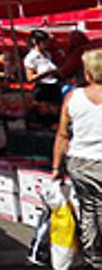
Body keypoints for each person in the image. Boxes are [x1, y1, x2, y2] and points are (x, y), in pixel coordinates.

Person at [53, 47, 102, 270]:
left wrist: (56, 167)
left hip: (80, 163)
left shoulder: (73, 97)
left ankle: (94, 257)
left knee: (89, 209)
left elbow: (63, 135)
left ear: (88, 73)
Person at [25, 29, 62, 104]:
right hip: (42, 88)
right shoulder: (31, 57)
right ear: (35, 41)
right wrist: (46, 73)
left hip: (54, 86)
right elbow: (30, 78)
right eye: (43, 41)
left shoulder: (48, 54)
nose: (46, 43)